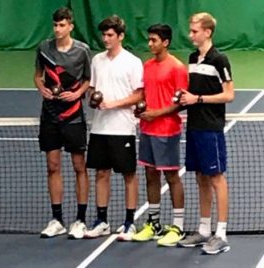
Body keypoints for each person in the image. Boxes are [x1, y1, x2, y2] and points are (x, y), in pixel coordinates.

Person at [177, 12, 234, 254]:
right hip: (194, 127)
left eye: (194, 31)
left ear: (207, 32)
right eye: (190, 30)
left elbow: (229, 94)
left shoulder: (220, 60)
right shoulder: (192, 58)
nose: (191, 35)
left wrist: (197, 98)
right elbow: (194, 91)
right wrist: (184, 98)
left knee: (216, 178)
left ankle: (220, 233)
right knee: (200, 177)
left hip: (211, 128)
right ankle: (204, 229)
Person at [84, 15, 144, 241]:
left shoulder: (132, 62)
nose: (106, 39)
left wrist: (113, 104)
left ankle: (129, 223)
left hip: (123, 127)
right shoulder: (97, 60)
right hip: (99, 127)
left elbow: (139, 94)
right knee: (101, 173)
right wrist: (95, 98)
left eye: (110, 35)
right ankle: (102, 221)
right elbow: (92, 87)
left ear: (121, 36)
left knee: (128, 174)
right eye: (104, 35)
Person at [34, 7, 91, 239]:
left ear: (71, 26)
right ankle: (57, 219)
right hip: (49, 115)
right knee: (53, 166)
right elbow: (38, 75)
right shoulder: (44, 48)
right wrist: (42, 89)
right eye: (55, 25)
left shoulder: (82, 51)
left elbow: (88, 79)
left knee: (79, 167)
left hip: (74, 115)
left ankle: (80, 220)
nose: (58, 29)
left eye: (62, 25)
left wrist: (78, 94)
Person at [132, 24, 188, 247]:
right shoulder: (147, 66)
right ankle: (154, 223)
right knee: (150, 174)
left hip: (167, 130)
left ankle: (178, 226)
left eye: (154, 40)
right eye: (149, 40)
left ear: (165, 42)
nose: (150, 44)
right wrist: (141, 110)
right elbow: (144, 95)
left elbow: (181, 103)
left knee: (171, 176)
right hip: (147, 129)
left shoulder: (177, 68)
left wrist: (156, 113)